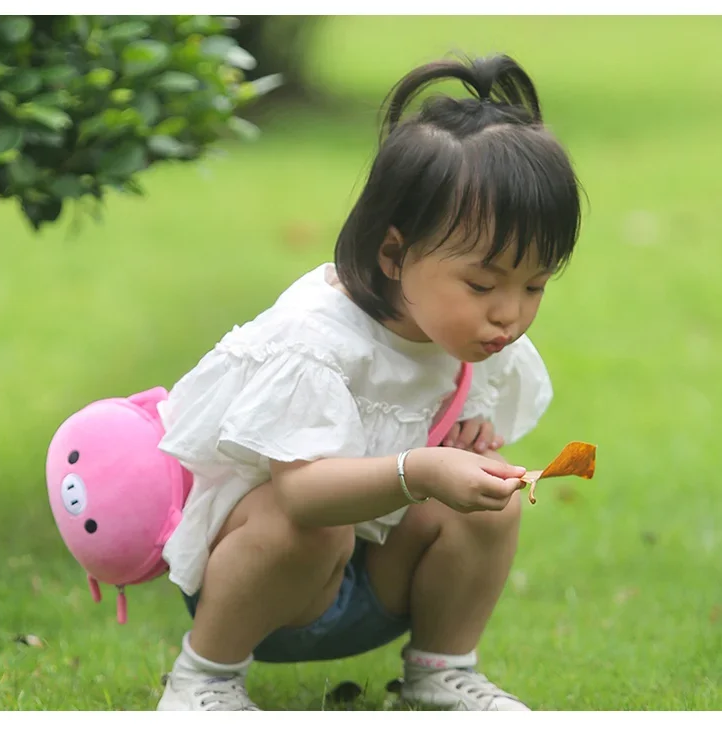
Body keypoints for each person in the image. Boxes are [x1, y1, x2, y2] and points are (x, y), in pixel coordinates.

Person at [155, 52, 582, 711]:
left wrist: (467, 442)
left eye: (535, 285)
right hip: (261, 577)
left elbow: (450, 429)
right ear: (393, 254)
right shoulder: (317, 339)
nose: (511, 312)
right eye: (483, 283)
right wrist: (425, 468)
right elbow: (300, 496)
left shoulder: (470, 332)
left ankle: (441, 669)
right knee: (317, 524)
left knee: (492, 497)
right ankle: (203, 677)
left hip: (371, 577)